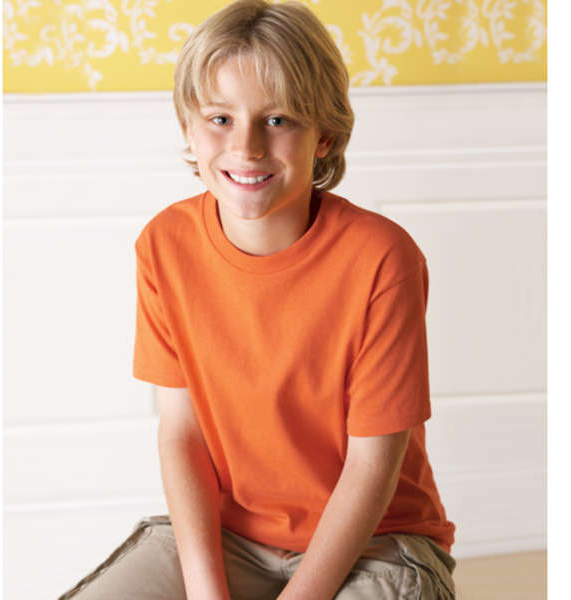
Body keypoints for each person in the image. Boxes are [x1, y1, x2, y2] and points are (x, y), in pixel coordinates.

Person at [58, 1, 456, 598]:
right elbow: (182, 434)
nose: (245, 147)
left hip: (377, 541)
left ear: (324, 137)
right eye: (220, 118)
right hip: (232, 537)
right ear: (189, 128)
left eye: (278, 120)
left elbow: (372, 464)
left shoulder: (382, 258)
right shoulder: (164, 245)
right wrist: (207, 592)